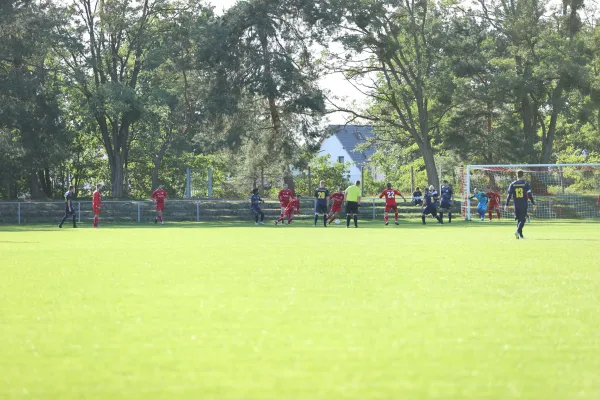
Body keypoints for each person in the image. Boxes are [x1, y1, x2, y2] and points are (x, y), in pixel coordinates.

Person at [504, 170, 536, 239]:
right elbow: (529, 194)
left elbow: (509, 195)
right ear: (523, 175)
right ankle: (517, 231)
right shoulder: (525, 184)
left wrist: (506, 204)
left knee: (519, 220)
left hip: (516, 204)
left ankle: (520, 235)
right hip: (523, 204)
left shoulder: (512, 184)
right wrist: (533, 203)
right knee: (523, 219)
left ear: (516, 175)